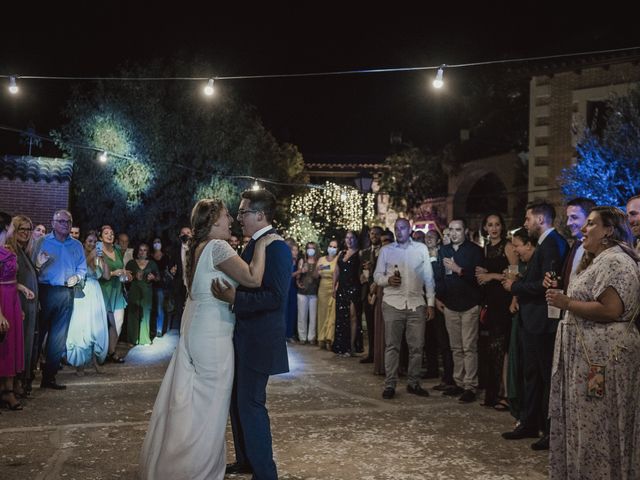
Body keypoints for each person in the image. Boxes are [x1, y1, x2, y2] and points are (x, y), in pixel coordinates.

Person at [140, 198, 274, 480]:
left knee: (193, 400)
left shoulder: (195, 248)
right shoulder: (217, 247)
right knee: (211, 404)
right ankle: (197, 469)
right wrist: (261, 244)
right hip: (213, 332)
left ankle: (179, 463)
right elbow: (252, 278)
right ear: (213, 222)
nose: (231, 221)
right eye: (226, 216)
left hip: (196, 326)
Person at [546, 207, 640, 479]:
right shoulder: (598, 259)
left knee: (601, 425)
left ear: (609, 230)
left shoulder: (615, 261)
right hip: (590, 356)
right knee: (588, 424)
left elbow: (611, 309)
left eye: (590, 224)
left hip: (605, 358)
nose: (584, 229)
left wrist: (567, 303)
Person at [212, 189, 291, 479]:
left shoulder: (277, 247)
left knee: (251, 404)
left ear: (260, 215)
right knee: (237, 402)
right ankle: (246, 459)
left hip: (260, 339)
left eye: (244, 212)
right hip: (244, 337)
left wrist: (236, 299)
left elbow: (275, 297)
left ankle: (265, 472)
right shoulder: (254, 244)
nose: (239, 217)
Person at [501, 201, 568, 450]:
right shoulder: (546, 244)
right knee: (532, 375)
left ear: (540, 220)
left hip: (543, 322)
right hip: (534, 320)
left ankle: (549, 430)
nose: (525, 224)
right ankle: (529, 422)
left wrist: (515, 287)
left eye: (528, 219)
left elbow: (546, 284)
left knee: (545, 377)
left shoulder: (553, 243)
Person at [374, 218, 435, 399]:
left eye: (403, 228)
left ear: (409, 230)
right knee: (392, 346)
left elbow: (429, 278)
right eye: (396, 228)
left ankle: (413, 382)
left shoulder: (421, 249)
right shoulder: (386, 251)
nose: (399, 231)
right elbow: (377, 276)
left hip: (416, 303)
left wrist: (430, 303)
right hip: (393, 303)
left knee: (417, 346)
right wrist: (387, 280)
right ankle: (390, 384)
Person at [32, 210, 87, 390]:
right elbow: (33, 268)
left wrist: (77, 279)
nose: (65, 224)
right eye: (61, 221)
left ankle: (49, 377)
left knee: (58, 338)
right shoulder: (43, 241)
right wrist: (39, 264)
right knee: (37, 335)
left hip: (66, 292)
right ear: (53, 223)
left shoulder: (77, 245)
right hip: (45, 291)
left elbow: (82, 270)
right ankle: (27, 376)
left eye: (68, 222)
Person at [434, 218, 484, 403]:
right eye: (451, 230)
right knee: (455, 347)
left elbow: (479, 278)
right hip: (449, 305)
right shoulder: (444, 250)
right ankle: (459, 382)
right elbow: (438, 276)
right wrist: (438, 297)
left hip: (469, 305)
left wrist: (458, 270)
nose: (454, 233)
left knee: (468, 347)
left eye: (458, 230)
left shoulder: (475, 251)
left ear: (465, 232)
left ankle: (470, 386)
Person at [475, 213, 518, 409]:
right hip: (491, 303)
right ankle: (492, 393)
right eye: (490, 225)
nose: (494, 228)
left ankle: (505, 395)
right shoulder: (486, 248)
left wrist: (490, 275)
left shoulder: (507, 246)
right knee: (491, 350)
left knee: (501, 349)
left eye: (497, 225)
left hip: (504, 302)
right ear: (485, 228)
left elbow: (516, 274)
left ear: (502, 227)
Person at [0, 212, 35, 410]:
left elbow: (11, 278)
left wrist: (21, 289)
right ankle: (7, 392)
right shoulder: (2, 251)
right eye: (16, 228)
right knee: (4, 346)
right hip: (2, 301)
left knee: (12, 345)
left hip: (12, 298)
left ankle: (9, 387)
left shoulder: (12, 252)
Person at [65, 230, 110, 374]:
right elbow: (81, 270)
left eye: (95, 242)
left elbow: (107, 276)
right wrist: (92, 256)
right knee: (81, 328)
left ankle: (95, 362)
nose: (92, 244)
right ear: (84, 242)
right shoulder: (79, 255)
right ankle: (80, 365)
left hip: (95, 294)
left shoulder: (97, 257)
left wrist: (103, 260)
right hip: (82, 293)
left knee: (95, 328)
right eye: (89, 241)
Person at [10, 216, 39, 396]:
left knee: (28, 343)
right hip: (17, 304)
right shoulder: (10, 251)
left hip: (30, 304)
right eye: (22, 228)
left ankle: (22, 379)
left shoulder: (24, 251)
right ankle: (14, 382)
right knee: (19, 344)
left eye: (28, 229)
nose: (26, 233)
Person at [99, 225, 130, 363]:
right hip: (104, 290)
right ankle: (101, 353)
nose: (110, 235)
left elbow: (121, 267)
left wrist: (125, 274)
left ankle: (111, 352)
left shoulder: (117, 250)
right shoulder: (98, 251)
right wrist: (113, 273)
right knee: (103, 324)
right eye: (106, 233)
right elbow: (97, 273)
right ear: (101, 237)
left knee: (118, 322)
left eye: (111, 233)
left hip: (117, 290)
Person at [332, 230, 362, 356]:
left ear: (356, 239)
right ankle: (342, 346)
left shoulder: (359, 253)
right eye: (347, 238)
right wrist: (334, 286)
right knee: (341, 317)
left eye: (352, 238)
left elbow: (361, 271)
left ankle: (352, 346)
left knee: (353, 316)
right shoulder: (341, 253)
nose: (349, 240)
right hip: (342, 288)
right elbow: (336, 271)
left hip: (354, 287)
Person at [125, 244, 159, 346]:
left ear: (148, 252)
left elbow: (158, 278)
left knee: (146, 314)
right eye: (140, 250)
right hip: (134, 289)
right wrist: (134, 276)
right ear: (137, 251)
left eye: (145, 250)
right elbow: (125, 279)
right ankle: (132, 339)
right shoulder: (131, 263)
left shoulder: (152, 263)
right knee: (133, 314)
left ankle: (144, 339)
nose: (142, 252)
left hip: (147, 291)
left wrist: (153, 277)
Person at [359, 226, 383, 363]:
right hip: (366, 291)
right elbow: (360, 269)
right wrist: (361, 276)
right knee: (369, 325)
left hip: (379, 292)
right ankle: (371, 353)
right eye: (372, 234)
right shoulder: (365, 252)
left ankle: (379, 354)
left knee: (379, 325)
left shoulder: (385, 251)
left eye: (376, 234)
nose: (374, 236)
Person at [316, 239, 338, 350]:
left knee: (332, 313)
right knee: (322, 313)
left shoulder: (338, 259)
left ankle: (330, 338)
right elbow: (315, 276)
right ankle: (321, 338)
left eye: (335, 247)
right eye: (331, 246)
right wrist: (317, 270)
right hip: (323, 287)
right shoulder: (321, 260)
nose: (332, 248)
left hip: (334, 288)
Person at [296, 242, 320, 345]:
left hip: (314, 292)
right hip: (302, 292)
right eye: (309, 248)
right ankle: (302, 337)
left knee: (313, 317)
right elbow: (297, 277)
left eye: (313, 248)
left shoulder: (318, 262)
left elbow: (318, 277)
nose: (311, 250)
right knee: (302, 316)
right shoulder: (302, 261)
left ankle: (311, 337)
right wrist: (301, 272)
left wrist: (317, 272)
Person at [170, 226, 191, 331]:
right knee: (180, 310)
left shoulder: (195, 249)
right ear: (179, 236)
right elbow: (171, 266)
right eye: (183, 233)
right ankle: (181, 332)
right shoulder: (175, 250)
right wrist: (172, 270)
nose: (185, 235)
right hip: (179, 284)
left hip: (192, 285)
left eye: (188, 232)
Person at [151, 237, 173, 338]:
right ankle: (152, 329)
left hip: (161, 286)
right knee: (152, 309)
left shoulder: (166, 257)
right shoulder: (150, 257)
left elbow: (169, 272)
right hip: (150, 285)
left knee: (160, 308)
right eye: (155, 242)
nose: (157, 244)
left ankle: (159, 330)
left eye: (158, 242)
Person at [284, 238, 298, 343]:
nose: (296, 252)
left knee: (292, 311)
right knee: (285, 311)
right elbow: (288, 275)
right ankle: (284, 334)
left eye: (296, 250)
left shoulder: (298, 261)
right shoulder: (286, 260)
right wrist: (299, 272)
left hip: (293, 289)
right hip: (286, 288)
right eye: (294, 250)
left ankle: (290, 334)